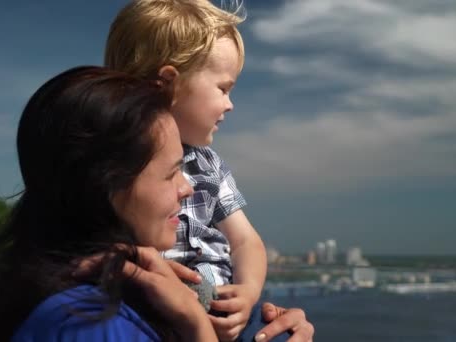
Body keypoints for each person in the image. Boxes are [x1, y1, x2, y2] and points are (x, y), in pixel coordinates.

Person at [105, 1, 314, 341]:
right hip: (153, 317)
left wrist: (247, 293)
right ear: (167, 83)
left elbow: (246, 241)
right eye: (223, 88)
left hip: (220, 312)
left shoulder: (208, 164)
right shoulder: (112, 164)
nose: (230, 104)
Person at [0, 66, 219, 341]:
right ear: (104, 186)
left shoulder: (70, 300)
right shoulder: (93, 324)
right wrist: (197, 326)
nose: (187, 188)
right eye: (170, 174)